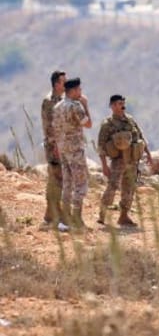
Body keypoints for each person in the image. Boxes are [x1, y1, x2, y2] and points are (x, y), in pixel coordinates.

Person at [97, 94, 152, 227]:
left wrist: (148, 155)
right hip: (118, 161)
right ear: (112, 106)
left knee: (129, 188)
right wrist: (104, 166)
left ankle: (124, 216)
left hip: (132, 160)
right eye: (117, 103)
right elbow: (101, 146)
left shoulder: (130, 121)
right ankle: (102, 214)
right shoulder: (107, 124)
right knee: (112, 186)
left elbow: (141, 137)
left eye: (122, 103)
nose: (121, 106)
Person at [52, 77, 93, 230]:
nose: (81, 92)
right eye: (79, 90)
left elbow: (55, 129)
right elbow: (88, 124)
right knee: (80, 183)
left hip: (63, 148)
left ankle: (65, 220)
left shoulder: (57, 107)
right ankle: (76, 218)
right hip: (75, 149)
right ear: (73, 91)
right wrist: (86, 105)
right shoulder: (76, 106)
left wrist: (58, 146)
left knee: (67, 183)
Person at [41, 70, 68, 232]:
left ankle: (50, 213)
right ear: (56, 84)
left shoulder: (63, 100)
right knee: (56, 177)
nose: (66, 84)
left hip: (63, 145)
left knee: (58, 177)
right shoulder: (49, 101)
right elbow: (50, 127)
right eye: (63, 82)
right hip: (53, 146)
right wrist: (57, 146)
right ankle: (56, 214)